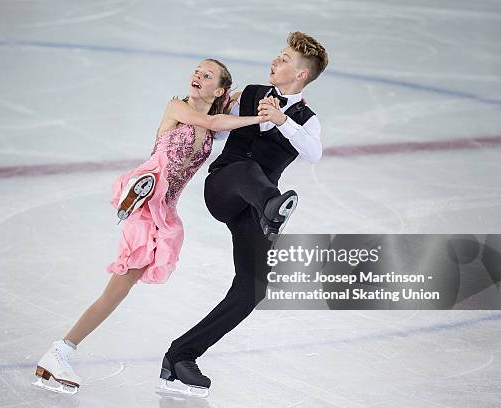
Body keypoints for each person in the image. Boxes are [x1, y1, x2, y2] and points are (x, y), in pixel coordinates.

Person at [32, 58, 268, 395]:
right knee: (118, 287)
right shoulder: (178, 106)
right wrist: (259, 116)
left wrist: (277, 101)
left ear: (218, 89)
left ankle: (61, 351)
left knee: (121, 287)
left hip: (165, 209)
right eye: (196, 71)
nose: (196, 76)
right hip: (146, 199)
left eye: (207, 75)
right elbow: (214, 119)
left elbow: (232, 104)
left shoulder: (216, 118)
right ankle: (60, 350)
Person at [159, 32, 329, 397]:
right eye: (278, 56)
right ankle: (273, 209)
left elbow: (314, 153)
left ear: (300, 75)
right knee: (245, 169)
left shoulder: (307, 120)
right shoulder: (250, 94)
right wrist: (224, 106)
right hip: (223, 187)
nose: (275, 62)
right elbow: (215, 134)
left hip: (253, 207)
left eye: (284, 60)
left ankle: (181, 355)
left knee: (253, 287)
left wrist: (283, 121)